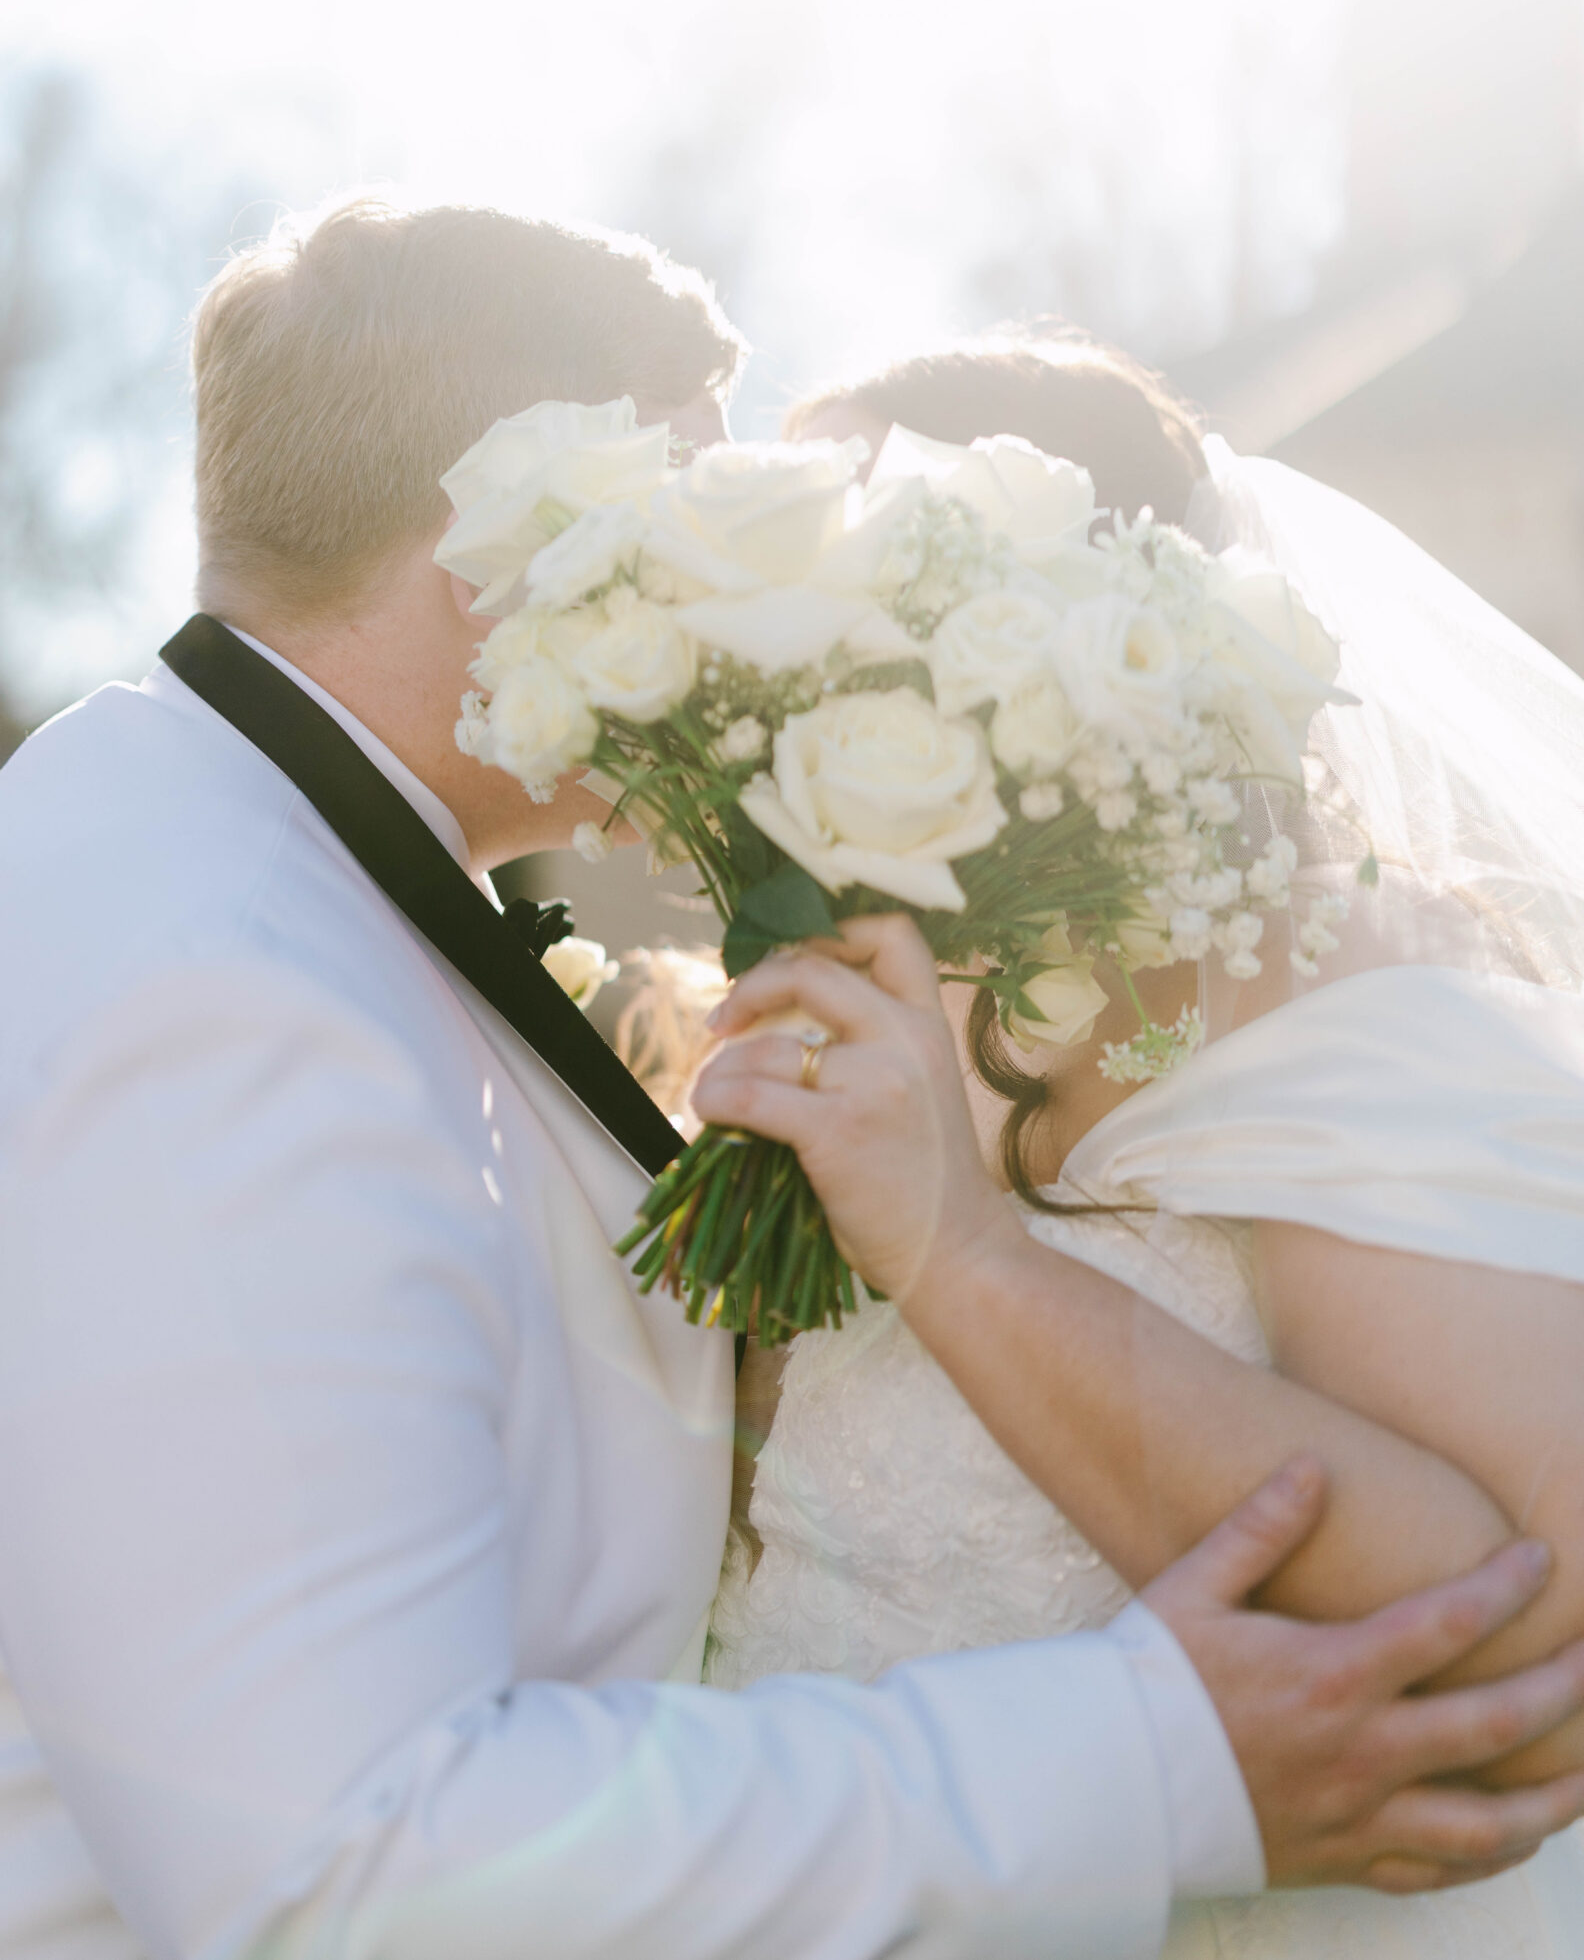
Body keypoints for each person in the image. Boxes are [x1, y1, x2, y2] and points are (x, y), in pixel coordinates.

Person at [0, 214, 1580, 1960]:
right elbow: (339, 1864)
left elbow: (1515, 1617)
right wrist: (1149, 1762)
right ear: (497, 552)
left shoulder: (299, 900)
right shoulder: (212, 971)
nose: (731, 634)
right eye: (694, 533)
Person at [699, 334, 1584, 1952]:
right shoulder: (866, 992)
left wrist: (957, 1253)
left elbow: (1530, 1642)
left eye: (845, 560)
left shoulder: (1312, 964)